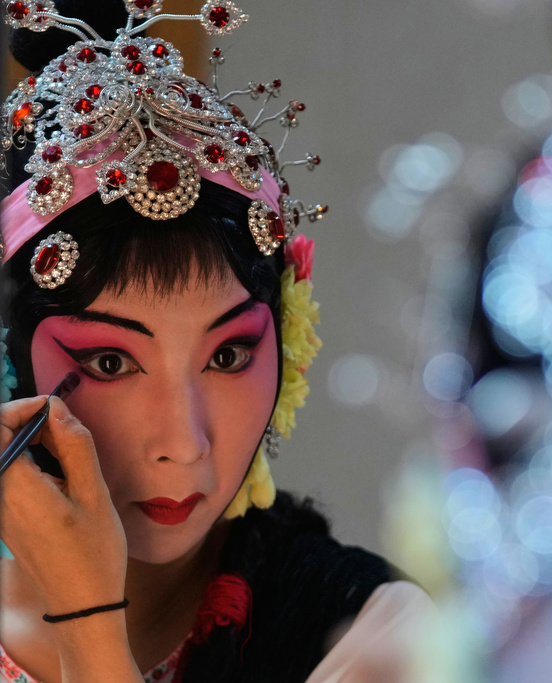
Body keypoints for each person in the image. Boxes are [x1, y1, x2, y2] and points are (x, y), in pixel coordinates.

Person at [0, 1, 429, 681]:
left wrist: (87, 627)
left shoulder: (378, 638)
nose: (184, 441)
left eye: (228, 355)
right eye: (110, 361)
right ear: (7, 356)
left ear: (287, 343)